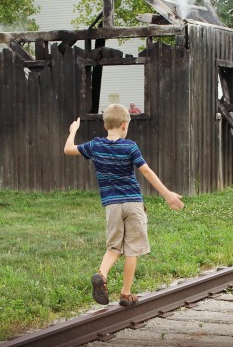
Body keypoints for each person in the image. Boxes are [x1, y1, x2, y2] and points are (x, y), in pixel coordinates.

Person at [64, 104, 184, 306]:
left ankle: (102, 274)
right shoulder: (129, 146)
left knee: (114, 248)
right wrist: (167, 194)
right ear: (124, 124)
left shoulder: (95, 145)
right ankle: (126, 294)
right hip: (133, 203)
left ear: (105, 125)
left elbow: (68, 149)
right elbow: (145, 171)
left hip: (112, 205)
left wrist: (73, 131)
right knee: (132, 250)